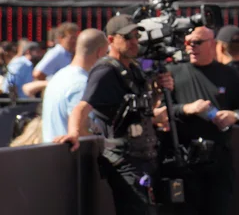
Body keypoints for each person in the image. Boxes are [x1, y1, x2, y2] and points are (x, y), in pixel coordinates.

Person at [54, 15, 173, 215]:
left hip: (145, 156)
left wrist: (159, 90)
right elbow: (82, 107)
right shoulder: (105, 70)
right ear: (111, 40)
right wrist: (73, 133)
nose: (134, 41)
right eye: (127, 37)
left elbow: (144, 109)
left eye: (136, 36)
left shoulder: (134, 68)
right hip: (124, 159)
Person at [168, 26, 239, 215]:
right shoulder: (172, 73)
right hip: (184, 161)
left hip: (218, 160)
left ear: (213, 44)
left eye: (197, 42)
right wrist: (187, 108)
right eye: (188, 43)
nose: (191, 47)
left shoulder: (230, 75)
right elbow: (159, 113)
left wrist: (234, 116)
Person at [42, 29, 108, 142]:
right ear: (99, 52)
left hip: (52, 153)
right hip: (70, 156)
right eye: (106, 53)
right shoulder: (81, 84)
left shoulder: (59, 76)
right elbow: (82, 130)